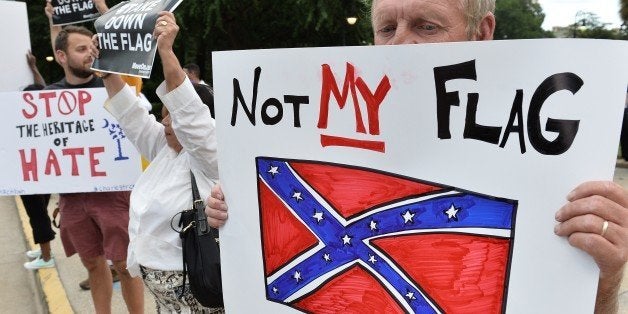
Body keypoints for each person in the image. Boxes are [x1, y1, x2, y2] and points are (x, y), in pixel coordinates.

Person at [205, 1, 628, 313]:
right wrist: (240, 212)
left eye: (427, 26)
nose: (400, 43)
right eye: (386, 28)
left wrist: (601, 279)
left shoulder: (544, 160)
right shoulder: (321, 123)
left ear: (481, 31)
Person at [93, 11, 222, 313]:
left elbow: (190, 115)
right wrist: (108, 69)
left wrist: (165, 50)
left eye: (172, 115)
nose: (165, 122)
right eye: (163, 113)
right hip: (164, 299)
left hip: (197, 293)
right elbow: (132, 116)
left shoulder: (210, 155)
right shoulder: (166, 150)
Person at [46, 25, 144, 313]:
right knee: (92, 263)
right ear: (61, 56)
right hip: (73, 197)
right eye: (81, 49)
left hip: (113, 193)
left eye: (91, 47)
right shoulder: (46, 99)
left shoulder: (111, 87)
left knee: (125, 264)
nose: (90, 53)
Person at [21, 52, 56, 270]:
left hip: (30, 175)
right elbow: (42, 88)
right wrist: (34, 68)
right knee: (39, 212)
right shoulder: (47, 116)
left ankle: (46, 257)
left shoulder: (25, 122)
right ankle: (44, 250)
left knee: (37, 214)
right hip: (42, 172)